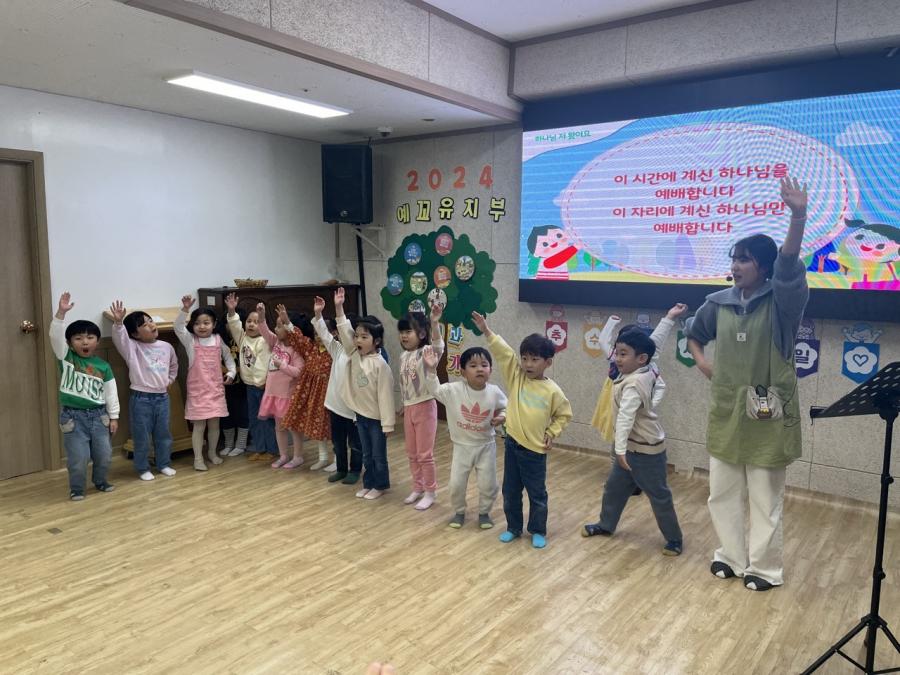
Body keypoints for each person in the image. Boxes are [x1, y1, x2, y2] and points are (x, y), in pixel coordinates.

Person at [685, 175, 810, 591]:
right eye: (734, 258)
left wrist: (797, 216)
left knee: (764, 496)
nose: (736, 266)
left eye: (745, 259)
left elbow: (789, 268)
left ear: (764, 267)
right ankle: (731, 557)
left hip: (767, 414)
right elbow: (694, 334)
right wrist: (703, 363)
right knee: (721, 492)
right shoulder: (717, 303)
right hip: (727, 412)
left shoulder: (783, 303)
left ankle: (765, 568)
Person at [471, 311, 573, 549]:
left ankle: (537, 530)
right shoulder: (517, 377)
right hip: (512, 446)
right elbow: (504, 353)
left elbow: (564, 415)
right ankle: (513, 528)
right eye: (525, 358)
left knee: (537, 494)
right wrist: (486, 330)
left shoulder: (553, 391)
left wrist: (552, 432)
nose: (528, 364)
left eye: (535, 359)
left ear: (548, 362)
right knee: (510, 491)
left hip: (535, 452)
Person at [582, 330, 684, 555]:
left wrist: (619, 451)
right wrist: (651, 404)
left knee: (659, 496)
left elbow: (625, 418)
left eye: (623, 354)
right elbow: (659, 377)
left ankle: (674, 539)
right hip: (630, 449)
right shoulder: (643, 370)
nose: (617, 358)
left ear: (641, 358)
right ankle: (606, 525)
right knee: (614, 489)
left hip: (647, 453)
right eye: (617, 352)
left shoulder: (634, 384)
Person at [423, 344, 507, 529]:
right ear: (462, 371)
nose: (479, 369)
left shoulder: (494, 392)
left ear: (490, 370)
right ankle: (459, 511)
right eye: (473, 365)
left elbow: (506, 407)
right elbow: (434, 389)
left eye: (484, 365)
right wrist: (431, 370)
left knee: (488, 484)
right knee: (456, 484)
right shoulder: (454, 390)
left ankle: (484, 513)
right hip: (461, 447)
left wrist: (502, 416)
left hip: (486, 447)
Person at [51, 292, 119, 500]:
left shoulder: (103, 366)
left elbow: (111, 393)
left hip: (100, 417)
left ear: (97, 341)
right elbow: (55, 335)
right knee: (78, 458)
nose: (85, 342)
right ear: (70, 343)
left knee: (104, 455)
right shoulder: (66, 358)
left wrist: (114, 416)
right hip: (73, 418)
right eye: (78, 338)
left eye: (90, 338)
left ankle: (100, 481)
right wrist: (60, 313)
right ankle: (77, 489)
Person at [334, 287, 395, 500]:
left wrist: (388, 424)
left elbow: (386, 397)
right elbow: (344, 332)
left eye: (364, 336)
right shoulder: (355, 355)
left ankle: (380, 484)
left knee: (378, 456)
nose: (358, 340)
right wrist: (339, 308)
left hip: (377, 420)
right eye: (357, 336)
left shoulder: (381, 365)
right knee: (367, 454)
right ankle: (368, 483)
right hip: (361, 417)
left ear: (376, 341)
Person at [110, 299, 179, 481]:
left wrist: (170, 380)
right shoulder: (132, 348)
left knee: (163, 435)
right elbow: (120, 339)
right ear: (135, 333)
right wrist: (118, 323)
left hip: (162, 398)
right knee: (142, 437)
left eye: (150, 321)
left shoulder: (167, 347)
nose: (151, 325)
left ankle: (163, 464)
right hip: (141, 399)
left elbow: (174, 366)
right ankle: (142, 468)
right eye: (144, 325)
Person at [175, 295, 236, 471]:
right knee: (199, 426)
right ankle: (198, 458)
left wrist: (231, 373)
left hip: (215, 390)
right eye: (197, 323)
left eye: (206, 322)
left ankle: (212, 453)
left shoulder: (218, 340)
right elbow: (178, 326)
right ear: (192, 325)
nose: (201, 326)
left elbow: (229, 358)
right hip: (198, 391)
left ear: (214, 324)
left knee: (215, 424)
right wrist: (185, 309)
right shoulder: (190, 340)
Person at [397, 305, 444, 510]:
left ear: (422, 334)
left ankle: (430, 492)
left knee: (425, 454)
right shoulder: (403, 356)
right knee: (412, 453)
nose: (403, 336)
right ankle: (418, 487)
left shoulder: (426, 351)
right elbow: (405, 384)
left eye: (408, 331)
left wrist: (434, 322)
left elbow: (439, 345)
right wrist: (403, 404)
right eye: (401, 332)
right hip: (409, 408)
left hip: (425, 407)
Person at [312, 297, 363, 485]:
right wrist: (318, 313)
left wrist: (339, 307)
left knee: (355, 444)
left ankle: (355, 470)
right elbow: (324, 334)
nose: (340, 335)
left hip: (354, 410)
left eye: (344, 332)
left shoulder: (359, 355)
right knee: (338, 443)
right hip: (335, 407)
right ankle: (341, 469)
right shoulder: (337, 349)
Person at [277, 304, 334, 471]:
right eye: (316, 334)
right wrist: (287, 322)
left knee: (333, 428)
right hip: (312, 394)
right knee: (318, 426)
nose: (318, 337)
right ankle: (323, 458)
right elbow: (299, 338)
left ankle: (339, 460)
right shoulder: (310, 347)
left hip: (330, 394)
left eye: (322, 333)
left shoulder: (335, 351)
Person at [225, 292, 277, 460]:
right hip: (249, 386)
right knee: (254, 419)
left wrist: (260, 382)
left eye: (256, 322)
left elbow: (262, 364)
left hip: (262, 387)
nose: (251, 324)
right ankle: (260, 449)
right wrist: (232, 311)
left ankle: (272, 450)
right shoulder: (243, 338)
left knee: (266, 419)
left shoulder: (264, 341)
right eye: (249, 321)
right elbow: (234, 325)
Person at [255, 302, 305, 469]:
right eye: (275, 326)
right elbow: (264, 330)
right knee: (279, 427)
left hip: (288, 396)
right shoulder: (276, 342)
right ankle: (283, 455)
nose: (275, 330)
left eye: (279, 326)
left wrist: (282, 365)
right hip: (274, 394)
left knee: (293, 428)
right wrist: (261, 316)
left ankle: (298, 456)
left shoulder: (296, 350)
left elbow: (298, 372)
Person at [217, 307, 249, 457]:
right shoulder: (220, 341)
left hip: (242, 384)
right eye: (227, 323)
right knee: (226, 415)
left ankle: (240, 445)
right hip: (224, 384)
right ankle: (228, 444)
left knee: (242, 414)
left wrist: (237, 370)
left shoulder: (245, 340)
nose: (230, 326)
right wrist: (226, 370)